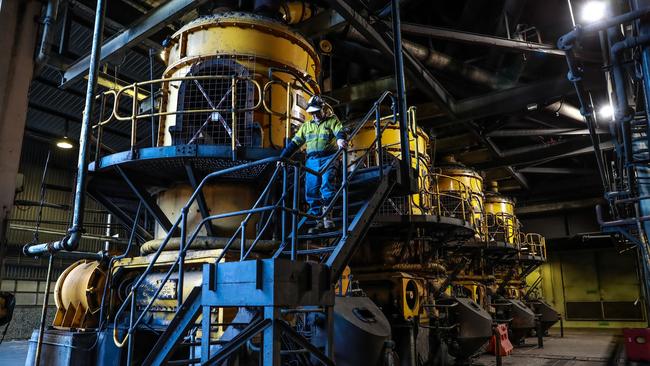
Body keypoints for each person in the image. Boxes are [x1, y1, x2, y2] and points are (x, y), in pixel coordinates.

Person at [280, 95, 348, 231]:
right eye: (312, 113)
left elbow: (340, 131)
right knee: (311, 190)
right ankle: (318, 220)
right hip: (312, 161)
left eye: (317, 112)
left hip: (328, 158)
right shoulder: (306, 127)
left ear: (323, 109)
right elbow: (294, 143)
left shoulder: (331, 121)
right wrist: (283, 158)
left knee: (327, 186)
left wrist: (340, 140)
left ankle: (327, 217)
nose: (315, 115)